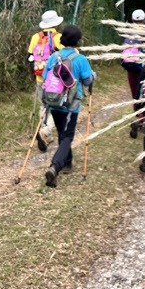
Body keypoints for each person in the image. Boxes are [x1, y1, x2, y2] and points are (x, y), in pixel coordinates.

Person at [41, 25, 95, 188]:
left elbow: (45, 77)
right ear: (78, 41)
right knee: (67, 136)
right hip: (71, 104)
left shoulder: (54, 57)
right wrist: (93, 76)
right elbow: (87, 80)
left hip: (54, 101)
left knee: (62, 133)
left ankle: (67, 163)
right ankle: (55, 166)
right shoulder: (80, 59)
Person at [27, 10, 63, 150]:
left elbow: (30, 56)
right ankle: (45, 131)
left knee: (43, 104)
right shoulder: (59, 37)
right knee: (55, 104)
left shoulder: (35, 37)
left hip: (40, 76)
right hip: (55, 79)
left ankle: (44, 132)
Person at [121, 9, 145, 138]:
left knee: (135, 94)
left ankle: (138, 117)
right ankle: (143, 120)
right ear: (144, 20)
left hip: (131, 68)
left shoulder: (128, 32)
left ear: (132, 20)